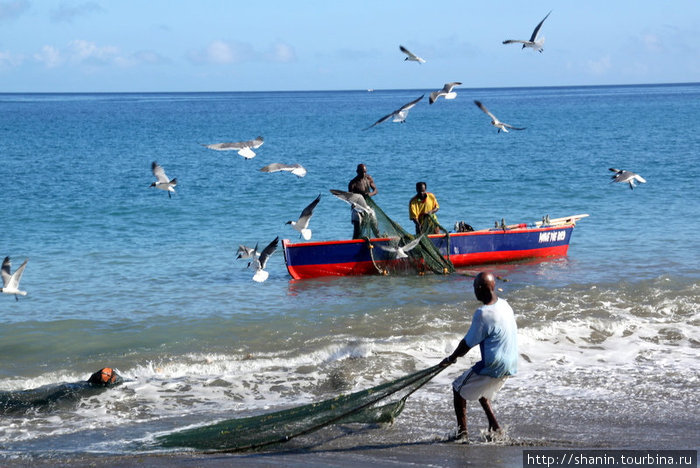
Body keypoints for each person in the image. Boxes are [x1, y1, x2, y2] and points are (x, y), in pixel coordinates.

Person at [440, 272, 518, 441]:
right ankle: (495, 427)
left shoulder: (483, 313)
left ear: (481, 289)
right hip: (511, 363)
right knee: (482, 388)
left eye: (475, 287)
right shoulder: (505, 305)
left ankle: (462, 434)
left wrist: (451, 358)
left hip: (494, 365)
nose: (474, 290)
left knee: (458, 388)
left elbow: (467, 343)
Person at [1, 367, 123, 415]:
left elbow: (103, 374)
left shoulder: (88, 383)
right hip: (69, 390)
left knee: (29, 397)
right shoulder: (94, 389)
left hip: (66, 387)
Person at [348, 163, 379, 239]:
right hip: (357, 207)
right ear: (357, 172)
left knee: (374, 225)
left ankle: (379, 239)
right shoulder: (353, 183)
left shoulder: (368, 178)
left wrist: (370, 194)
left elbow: (375, 190)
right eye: (362, 172)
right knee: (357, 228)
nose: (364, 174)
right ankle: (354, 242)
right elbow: (349, 198)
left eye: (365, 172)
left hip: (368, 205)